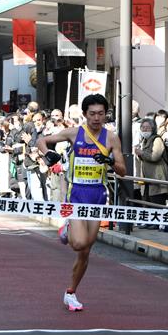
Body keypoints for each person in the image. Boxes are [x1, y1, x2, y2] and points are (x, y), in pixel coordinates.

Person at [37, 94, 126, 312]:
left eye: (101, 113)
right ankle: (67, 227)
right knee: (78, 243)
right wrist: (47, 154)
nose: (97, 118)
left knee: (85, 249)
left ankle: (71, 293)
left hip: (98, 196)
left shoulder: (111, 138)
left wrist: (110, 161)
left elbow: (123, 171)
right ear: (85, 115)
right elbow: (41, 140)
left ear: (106, 114)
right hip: (76, 194)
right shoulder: (75, 133)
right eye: (92, 113)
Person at [135, 118, 168, 229]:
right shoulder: (145, 140)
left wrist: (141, 152)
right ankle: (150, 221)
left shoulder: (157, 140)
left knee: (157, 200)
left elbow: (154, 156)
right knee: (148, 200)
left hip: (157, 175)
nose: (144, 129)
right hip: (148, 177)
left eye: (147, 127)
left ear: (153, 128)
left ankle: (157, 223)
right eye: (142, 127)